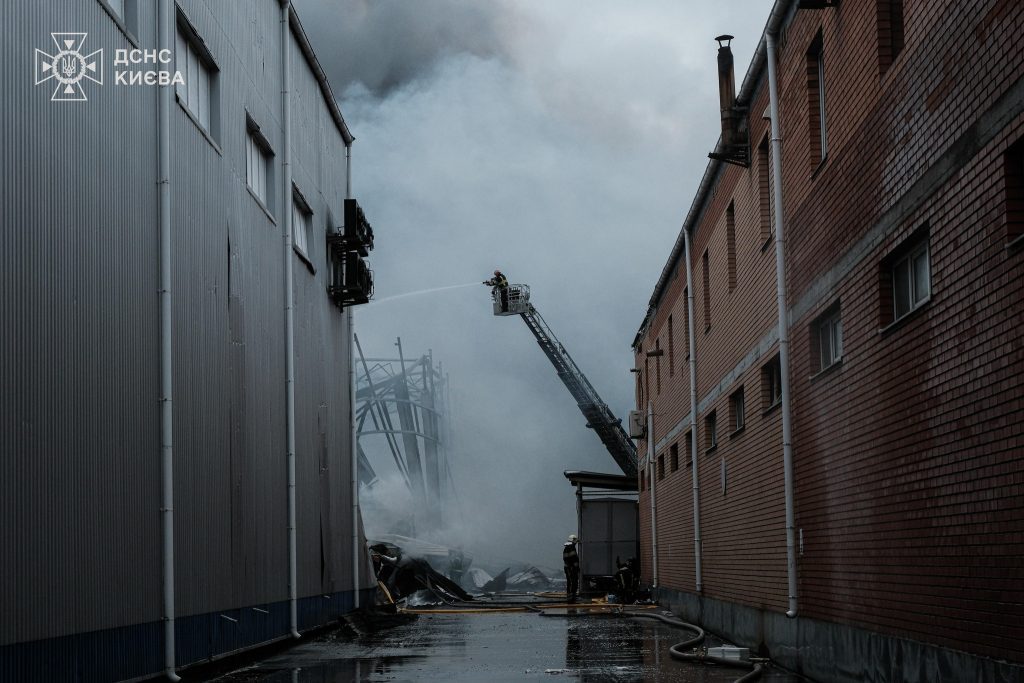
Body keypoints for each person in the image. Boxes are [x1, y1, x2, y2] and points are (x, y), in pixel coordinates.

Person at [563, 533, 580, 601]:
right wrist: (576, 567)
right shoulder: (571, 548)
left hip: (569, 568)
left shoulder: (568, 548)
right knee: (572, 582)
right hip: (571, 568)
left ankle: (572, 596)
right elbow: (573, 558)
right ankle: (571, 597)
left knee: (572, 581)